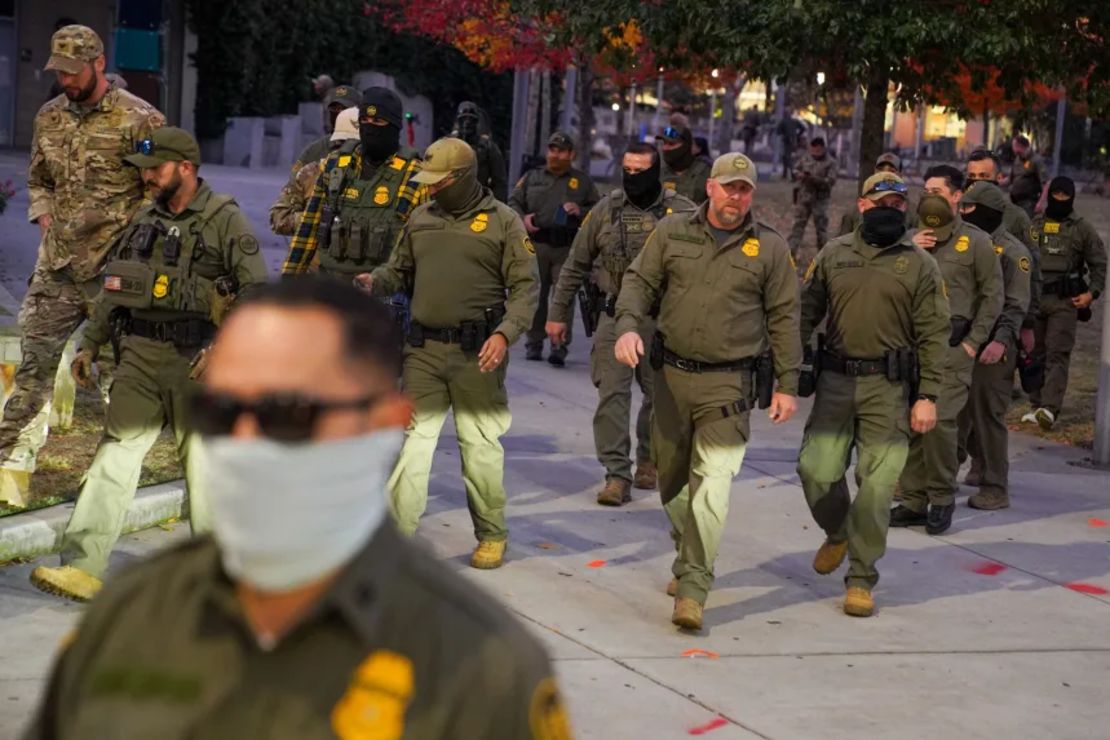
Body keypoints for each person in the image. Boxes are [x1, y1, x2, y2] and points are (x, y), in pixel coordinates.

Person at [22, 278, 570, 739]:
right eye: (221, 409)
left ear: (384, 423)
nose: (243, 440)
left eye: (285, 411)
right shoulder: (131, 617)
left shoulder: (483, 668)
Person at [28, 127, 270, 601]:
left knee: (205, 467)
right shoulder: (145, 219)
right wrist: (90, 343)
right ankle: (82, 566)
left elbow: (257, 293)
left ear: (185, 167)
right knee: (115, 454)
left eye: (155, 169)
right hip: (139, 355)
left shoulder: (225, 221)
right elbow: (116, 285)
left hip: (197, 360)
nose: (148, 179)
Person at [613, 152, 801, 631]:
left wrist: (787, 384)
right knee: (672, 480)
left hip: (730, 383)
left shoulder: (771, 249)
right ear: (711, 188)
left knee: (712, 486)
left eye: (745, 189)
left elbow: (784, 318)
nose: (736, 196)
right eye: (729, 187)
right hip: (671, 377)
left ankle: (695, 585)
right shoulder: (672, 233)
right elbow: (638, 281)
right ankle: (688, 550)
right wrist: (628, 327)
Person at [0, 25, 164, 508]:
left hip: (115, 273)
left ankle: (111, 488)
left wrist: (132, 242)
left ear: (97, 63)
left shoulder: (142, 119)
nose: (67, 81)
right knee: (33, 370)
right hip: (57, 267)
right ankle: (11, 476)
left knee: (119, 379)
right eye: (60, 72)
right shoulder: (49, 116)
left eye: (74, 72)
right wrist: (43, 211)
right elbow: (37, 178)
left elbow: (164, 190)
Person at [358, 138, 538, 570]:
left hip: (479, 355)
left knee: (479, 448)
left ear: (463, 178)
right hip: (422, 350)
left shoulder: (504, 222)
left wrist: (505, 334)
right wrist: (375, 281)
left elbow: (526, 288)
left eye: (439, 183)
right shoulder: (421, 218)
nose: (430, 189)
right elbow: (399, 269)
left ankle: (492, 533)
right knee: (411, 448)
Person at [797, 171, 949, 617]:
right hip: (836, 381)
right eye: (880, 201)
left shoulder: (921, 263)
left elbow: (934, 334)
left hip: (890, 387)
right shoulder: (833, 253)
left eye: (898, 204)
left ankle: (861, 578)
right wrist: (789, 371)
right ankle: (840, 530)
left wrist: (928, 395)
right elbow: (804, 313)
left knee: (878, 486)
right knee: (816, 470)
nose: (889, 209)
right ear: (862, 206)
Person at [546, 143, 696, 506]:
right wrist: (556, 313)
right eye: (626, 170)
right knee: (611, 395)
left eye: (640, 171)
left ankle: (649, 457)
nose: (632, 177)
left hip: (662, 321)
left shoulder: (684, 213)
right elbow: (576, 264)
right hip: (613, 317)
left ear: (655, 171)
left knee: (659, 398)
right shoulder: (606, 210)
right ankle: (617, 474)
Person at [890, 165, 1003, 536]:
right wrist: (907, 248)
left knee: (939, 427)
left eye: (937, 190)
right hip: (911, 349)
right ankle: (911, 501)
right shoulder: (909, 239)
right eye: (926, 190)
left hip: (953, 350)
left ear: (957, 196)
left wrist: (974, 341)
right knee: (910, 424)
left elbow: (992, 296)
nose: (929, 196)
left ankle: (940, 499)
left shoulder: (977, 243)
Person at [282, 88, 425, 278]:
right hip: (330, 289)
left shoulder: (414, 174)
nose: (370, 127)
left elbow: (423, 249)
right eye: (365, 121)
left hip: (381, 296)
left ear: (394, 126)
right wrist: (288, 283)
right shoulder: (336, 165)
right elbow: (308, 231)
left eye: (378, 121)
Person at [955, 181, 1036, 510]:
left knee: (987, 414)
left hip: (993, 346)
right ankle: (941, 477)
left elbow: (1016, 305)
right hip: (961, 340)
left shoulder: (1014, 254)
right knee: (954, 412)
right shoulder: (964, 244)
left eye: (970, 208)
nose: (964, 214)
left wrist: (1002, 342)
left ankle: (995, 486)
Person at [1022, 176, 1106, 429]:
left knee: (1058, 352)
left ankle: (1049, 408)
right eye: (1055, 195)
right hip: (1036, 299)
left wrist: (1092, 293)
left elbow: (1099, 264)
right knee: (1034, 353)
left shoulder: (1082, 229)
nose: (1059, 200)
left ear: (1071, 197)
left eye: (1064, 196)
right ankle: (1036, 404)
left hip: (1065, 301)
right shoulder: (1034, 225)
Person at [509, 131, 599, 366]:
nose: (555, 155)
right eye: (552, 150)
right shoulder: (532, 176)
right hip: (537, 245)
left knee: (563, 297)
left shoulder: (582, 181)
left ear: (571, 154)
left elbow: (599, 211)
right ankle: (534, 343)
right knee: (536, 296)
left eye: (561, 151)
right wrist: (523, 218)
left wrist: (579, 211)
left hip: (566, 247)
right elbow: (514, 201)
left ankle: (559, 345)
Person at [269, 104, 360, 237]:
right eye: (342, 143)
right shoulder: (311, 173)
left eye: (355, 144)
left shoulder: (381, 177)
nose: (347, 150)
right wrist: (316, 219)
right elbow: (279, 219)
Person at [837, 153, 917, 236]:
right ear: (874, 172)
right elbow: (842, 241)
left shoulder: (912, 211)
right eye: (880, 169)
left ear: (900, 175)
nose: (885, 173)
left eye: (892, 171)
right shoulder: (857, 209)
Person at [787, 137, 838, 256]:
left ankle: (823, 257)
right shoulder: (805, 158)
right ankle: (790, 254)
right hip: (804, 198)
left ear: (823, 148)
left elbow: (831, 181)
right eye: (813, 150)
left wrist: (814, 179)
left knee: (821, 230)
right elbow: (795, 169)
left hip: (820, 201)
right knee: (797, 227)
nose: (815, 153)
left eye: (818, 151)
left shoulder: (830, 163)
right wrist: (799, 175)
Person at [452, 101, 508, 201]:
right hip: (451, 200)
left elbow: (499, 182)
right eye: (463, 119)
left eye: (471, 119)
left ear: (476, 122)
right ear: (458, 121)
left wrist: (496, 208)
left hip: (478, 201)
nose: (467, 123)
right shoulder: (447, 145)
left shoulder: (488, 148)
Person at [656, 124, 711, 206]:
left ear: (686, 145)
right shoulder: (656, 170)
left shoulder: (707, 172)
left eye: (671, 144)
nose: (665, 148)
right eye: (664, 143)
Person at [1004, 134, 1048, 217]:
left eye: (1015, 146)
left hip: (1029, 203)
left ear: (1021, 146)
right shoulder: (1017, 159)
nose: (1014, 150)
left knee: (1025, 226)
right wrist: (995, 181)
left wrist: (1041, 203)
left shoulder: (1036, 160)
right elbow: (1010, 179)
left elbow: (1045, 184)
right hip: (1015, 202)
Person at [775, 112, 806, 180]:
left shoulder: (783, 121)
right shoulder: (795, 121)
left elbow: (778, 131)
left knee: (787, 158)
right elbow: (803, 128)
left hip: (787, 141)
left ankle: (793, 174)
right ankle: (785, 174)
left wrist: (783, 133)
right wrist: (797, 135)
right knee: (787, 157)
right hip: (794, 141)